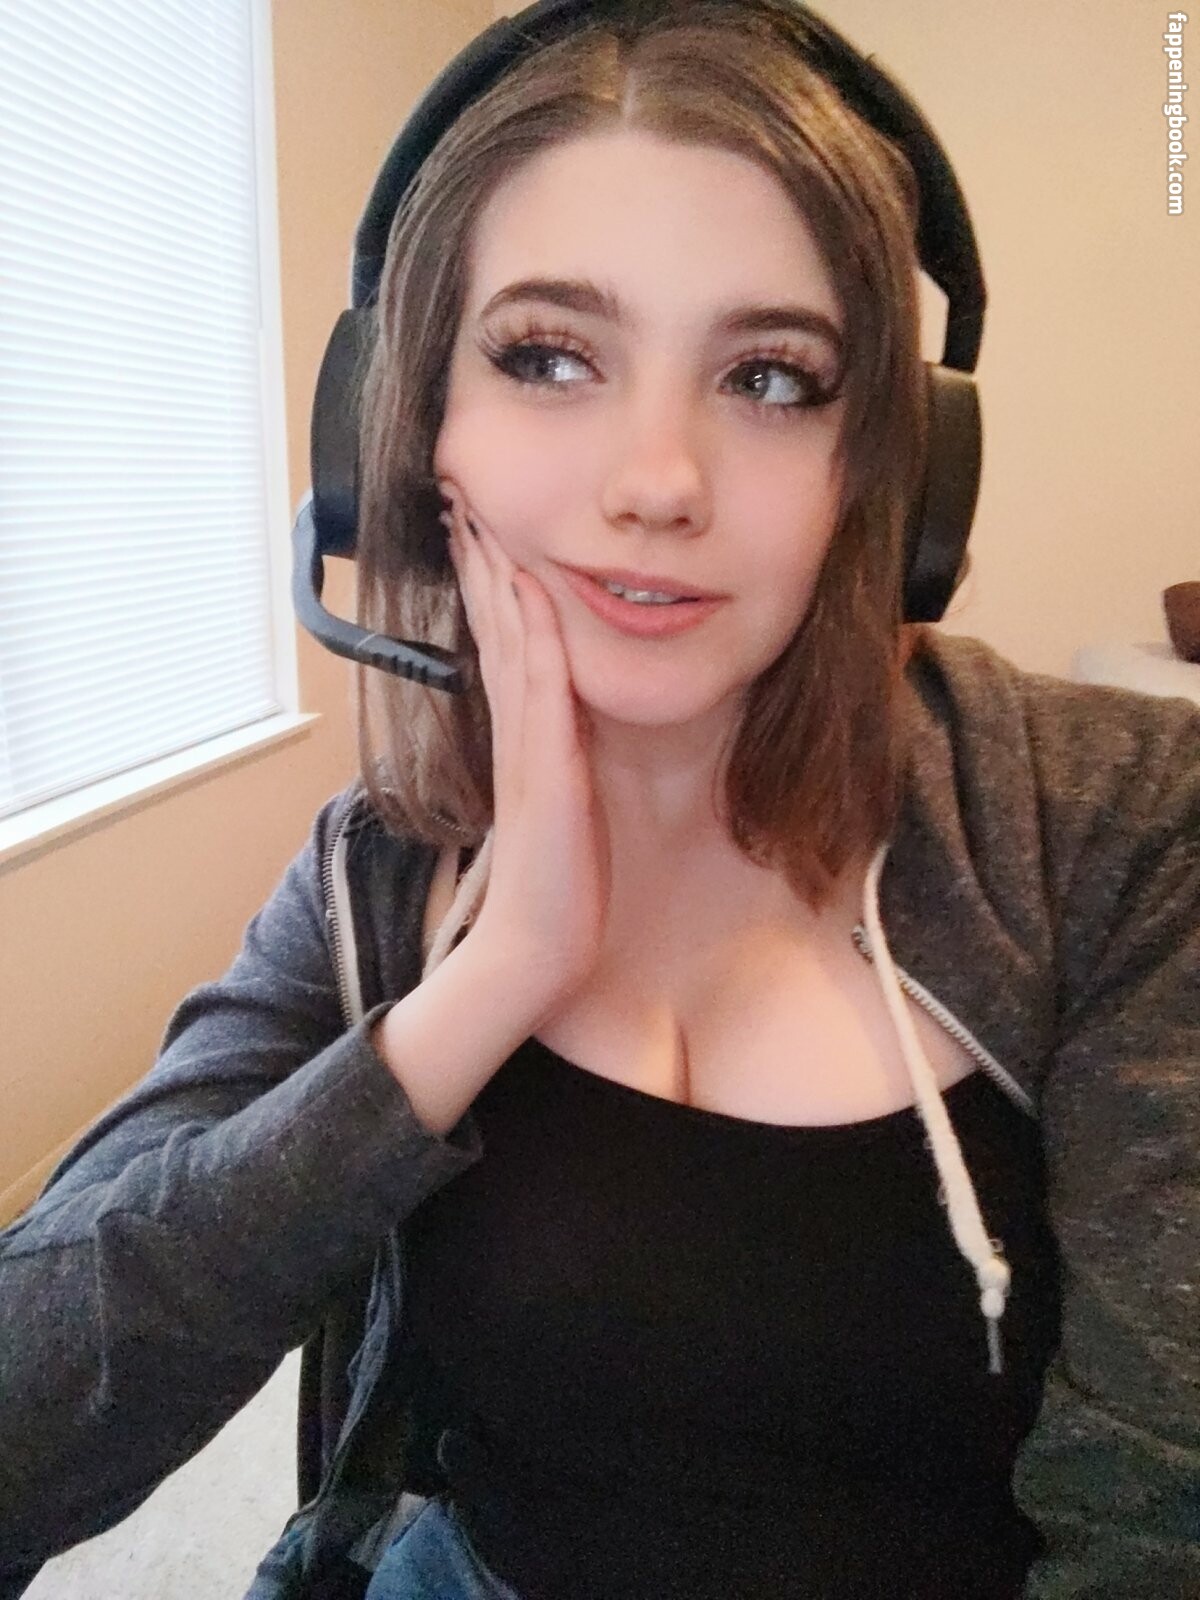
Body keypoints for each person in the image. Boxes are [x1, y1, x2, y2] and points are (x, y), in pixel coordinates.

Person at [2, 3, 1197, 1598]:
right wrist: (491, 980)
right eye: (549, 357)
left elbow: (1156, 1510)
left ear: (898, 475)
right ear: (401, 437)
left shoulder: (1116, 824)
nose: (657, 481)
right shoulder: (378, 874)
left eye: (770, 377)